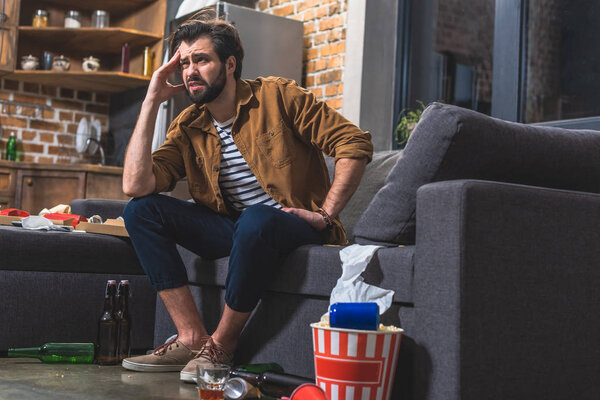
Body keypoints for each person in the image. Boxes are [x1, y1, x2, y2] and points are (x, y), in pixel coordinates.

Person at [120, 10, 373, 383]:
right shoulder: (189, 124)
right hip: (237, 229)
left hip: (293, 225)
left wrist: (325, 214)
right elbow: (136, 185)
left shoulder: (277, 96)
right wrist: (150, 102)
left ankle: (222, 343)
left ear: (230, 63)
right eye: (184, 63)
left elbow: (353, 142)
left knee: (256, 218)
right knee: (140, 211)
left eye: (201, 59)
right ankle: (191, 338)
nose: (190, 70)